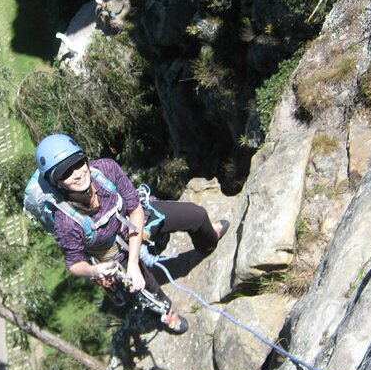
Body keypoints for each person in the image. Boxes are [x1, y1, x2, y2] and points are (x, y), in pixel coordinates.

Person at [35, 134, 229, 334]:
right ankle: (164, 312)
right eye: (66, 173)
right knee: (143, 287)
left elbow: (135, 208)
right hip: (114, 254)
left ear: (85, 159)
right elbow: (74, 264)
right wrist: (97, 271)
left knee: (196, 215)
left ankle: (208, 241)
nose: (77, 173)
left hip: (137, 221)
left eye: (77, 163)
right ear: (57, 182)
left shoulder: (105, 170)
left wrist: (134, 262)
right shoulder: (65, 222)